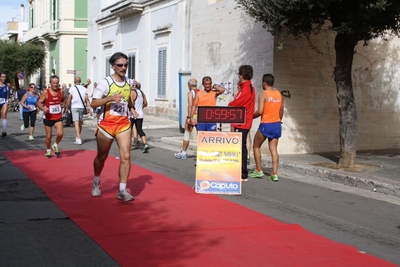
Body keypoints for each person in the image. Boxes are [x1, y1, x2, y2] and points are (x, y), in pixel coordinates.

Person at [90, 52, 139, 202]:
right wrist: (111, 98)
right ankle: (96, 181)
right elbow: (93, 103)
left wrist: (132, 109)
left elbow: (127, 101)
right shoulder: (106, 82)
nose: (123, 68)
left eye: (125, 65)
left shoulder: (129, 82)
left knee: (126, 156)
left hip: (123, 124)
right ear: (113, 66)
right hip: (106, 126)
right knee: (102, 156)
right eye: (120, 65)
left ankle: (122, 190)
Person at [249, 74, 284, 181]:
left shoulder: (263, 94)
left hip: (266, 124)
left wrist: (250, 117)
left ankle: (259, 170)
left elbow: (260, 111)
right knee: (273, 149)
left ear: (264, 82)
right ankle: (274, 173)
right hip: (277, 124)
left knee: (256, 146)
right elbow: (281, 110)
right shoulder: (279, 94)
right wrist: (279, 120)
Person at [228, 65, 256, 182]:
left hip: (242, 122)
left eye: (239, 74)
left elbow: (236, 104)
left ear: (243, 75)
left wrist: (230, 104)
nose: (238, 76)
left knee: (241, 147)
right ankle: (238, 170)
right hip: (239, 121)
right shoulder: (244, 88)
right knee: (239, 147)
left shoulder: (246, 89)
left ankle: (243, 173)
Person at [36, 75, 65, 158]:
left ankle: (55, 144)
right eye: (54, 83)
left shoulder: (61, 91)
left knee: (60, 134)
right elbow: (38, 102)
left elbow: (63, 100)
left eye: (57, 83)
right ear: (50, 83)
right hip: (48, 116)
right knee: (49, 136)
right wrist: (42, 108)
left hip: (58, 116)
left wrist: (63, 103)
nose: (55, 85)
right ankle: (48, 150)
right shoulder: (46, 92)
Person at [174, 78, 199, 159]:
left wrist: (189, 117)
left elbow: (190, 105)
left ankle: (183, 153)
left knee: (187, 133)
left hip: (193, 115)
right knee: (200, 135)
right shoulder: (200, 92)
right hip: (199, 115)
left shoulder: (190, 93)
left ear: (190, 85)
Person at [67, 76, 91, 145]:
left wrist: (67, 107)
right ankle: (78, 137)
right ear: (80, 81)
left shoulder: (72, 88)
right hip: (81, 107)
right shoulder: (84, 88)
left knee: (76, 122)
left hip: (74, 106)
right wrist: (90, 108)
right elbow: (87, 99)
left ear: (74, 81)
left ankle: (78, 138)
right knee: (80, 123)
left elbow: (69, 98)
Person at [130, 82, 149, 153]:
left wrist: (133, 111)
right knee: (140, 130)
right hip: (140, 114)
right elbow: (146, 103)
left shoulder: (132, 92)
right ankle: (145, 144)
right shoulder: (142, 92)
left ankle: (127, 145)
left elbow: (130, 104)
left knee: (129, 130)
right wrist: (140, 107)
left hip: (133, 114)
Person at [0, 72, 9, 137]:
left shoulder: (7, 85)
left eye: (5, 77)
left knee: (4, 114)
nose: (4, 78)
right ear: (0, 77)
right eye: (2, 77)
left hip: (5, 101)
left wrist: (9, 100)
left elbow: (8, 93)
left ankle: (4, 131)